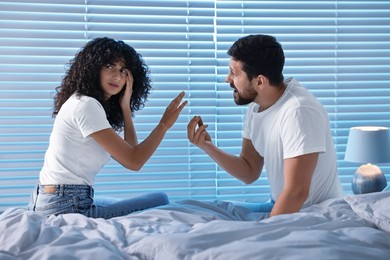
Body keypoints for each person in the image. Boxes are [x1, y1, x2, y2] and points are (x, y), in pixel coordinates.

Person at [28, 37, 187, 219]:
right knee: (160, 198)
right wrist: (164, 125)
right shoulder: (86, 106)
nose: (117, 77)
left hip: (50, 198)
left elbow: (131, 150)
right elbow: (134, 162)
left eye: (123, 70)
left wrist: (125, 108)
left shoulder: (85, 103)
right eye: (110, 66)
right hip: (65, 205)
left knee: (113, 201)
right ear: (94, 68)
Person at [187, 34, 342, 218]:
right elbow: (249, 171)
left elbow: (296, 192)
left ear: (259, 81)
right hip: (282, 205)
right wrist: (208, 147)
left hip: (313, 214)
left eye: (234, 73)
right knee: (193, 209)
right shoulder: (256, 105)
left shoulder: (298, 111)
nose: (227, 79)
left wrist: (265, 232)